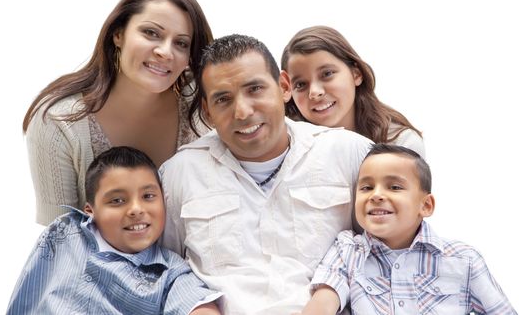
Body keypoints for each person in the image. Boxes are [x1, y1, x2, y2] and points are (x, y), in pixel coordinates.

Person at [160, 34, 373, 314]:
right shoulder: (179, 173)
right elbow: (165, 268)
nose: (243, 111)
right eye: (223, 99)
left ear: (284, 87)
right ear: (207, 112)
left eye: (255, 89)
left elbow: (390, 251)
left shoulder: (350, 154)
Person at [22, 0, 213, 225]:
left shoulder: (202, 102)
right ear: (118, 34)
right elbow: (59, 243)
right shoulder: (58, 123)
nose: (165, 52)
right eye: (151, 33)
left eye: (181, 43)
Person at [299, 143, 516, 314]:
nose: (376, 195)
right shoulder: (347, 250)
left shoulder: (463, 260)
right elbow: (324, 300)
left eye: (394, 187)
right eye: (366, 187)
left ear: (426, 205)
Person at [7, 146, 221, 315]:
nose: (136, 210)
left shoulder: (169, 272)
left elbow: (195, 302)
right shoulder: (64, 232)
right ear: (91, 211)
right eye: (117, 200)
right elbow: (27, 290)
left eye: (148, 196)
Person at [280, 25, 425, 157]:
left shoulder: (401, 143)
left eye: (327, 74)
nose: (315, 92)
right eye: (300, 84)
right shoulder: (286, 149)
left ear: (356, 74)